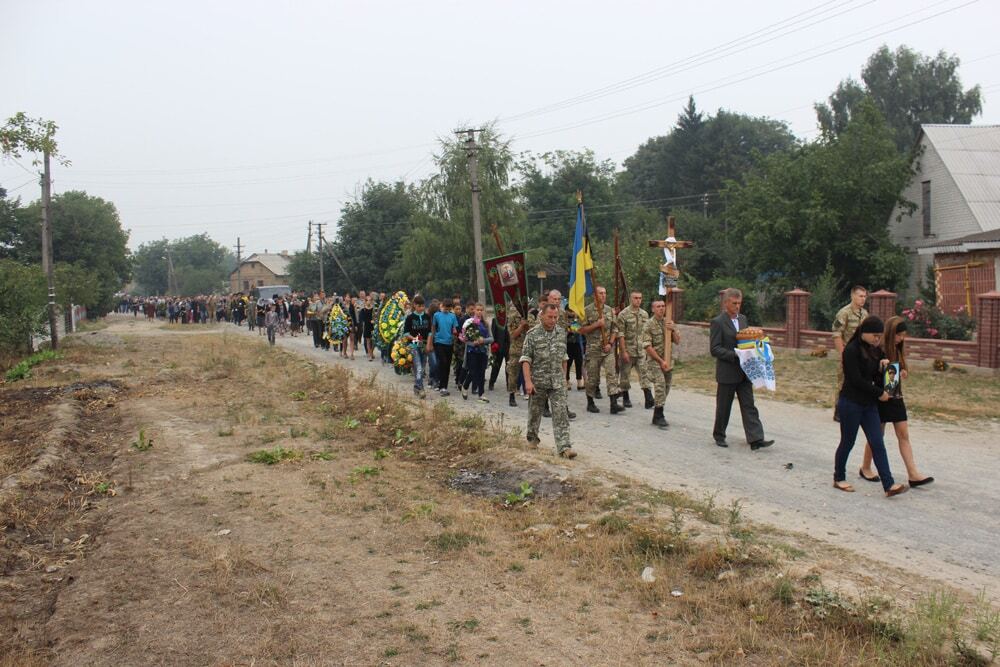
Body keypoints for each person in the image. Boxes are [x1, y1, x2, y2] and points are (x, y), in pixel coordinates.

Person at [833, 316, 907, 497]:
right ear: (864, 332)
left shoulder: (875, 351)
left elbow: (879, 376)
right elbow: (856, 380)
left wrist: (885, 369)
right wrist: (879, 393)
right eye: (874, 335)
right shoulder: (850, 351)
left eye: (879, 336)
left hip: (869, 405)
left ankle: (888, 484)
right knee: (848, 442)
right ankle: (839, 477)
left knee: (877, 443)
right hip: (851, 403)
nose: (877, 339)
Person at [858, 316, 934, 487]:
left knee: (903, 434)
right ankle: (865, 467)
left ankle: (913, 474)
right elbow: (872, 374)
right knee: (877, 435)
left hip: (895, 396)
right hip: (880, 396)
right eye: (899, 335)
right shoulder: (878, 349)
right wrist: (886, 372)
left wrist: (902, 373)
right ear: (892, 333)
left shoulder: (897, 348)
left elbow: (895, 375)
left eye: (904, 335)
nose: (902, 338)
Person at [710, 288, 774, 450]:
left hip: (745, 371)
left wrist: (757, 348)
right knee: (724, 406)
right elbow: (715, 349)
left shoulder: (743, 319)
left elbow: (746, 341)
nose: (737, 306)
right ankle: (719, 435)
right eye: (734, 303)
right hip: (727, 371)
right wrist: (735, 355)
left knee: (749, 405)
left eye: (739, 303)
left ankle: (756, 439)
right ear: (726, 303)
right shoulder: (718, 322)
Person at [521, 303, 575, 459]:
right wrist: (528, 382)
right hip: (538, 381)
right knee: (535, 412)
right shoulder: (532, 334)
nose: (553, 320)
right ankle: (532, 439)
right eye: (550, 317)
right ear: (541, 316)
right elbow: (526, 360)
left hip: (557, 381)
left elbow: (564, 357)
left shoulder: (561, 333)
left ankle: (564, 447)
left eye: (555, 317)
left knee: (560, 413)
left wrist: (565, 378)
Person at [580, 286, 623, 414]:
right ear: (595, 295)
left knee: (612, 374)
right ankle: (590, 402)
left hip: (607, 349)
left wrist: (610, 343)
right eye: (600, 293)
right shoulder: (587, 311)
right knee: (593, 378)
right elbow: (581, 329)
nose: (603, 296)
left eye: (605, 293)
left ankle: (613, 403)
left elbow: (615, 329)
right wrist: (596, 325)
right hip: (593, 350)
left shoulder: (610, 311)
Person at [832, 286, 869, 421]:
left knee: (860, 381)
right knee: (843, 381)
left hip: (861, 355)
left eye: (865, 296)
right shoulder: (844, 313)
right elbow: (836, 334)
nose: (863, 299)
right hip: (848, 353)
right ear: (853, 296)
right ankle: (839, 410)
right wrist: (843, 355)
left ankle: (857, 409)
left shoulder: (864, 314)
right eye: (860, 296)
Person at [641, 299, 680, 429]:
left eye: (663, 306)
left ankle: (656, 413)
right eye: (658, 306)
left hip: (668, 361)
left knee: (666, 388)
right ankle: (660, 416)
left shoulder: (668, 322)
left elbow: (677, 341)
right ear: (653, 309)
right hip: (655, 362)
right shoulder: (648, 325)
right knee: (660, 386)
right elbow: (647, 346)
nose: (661, 308)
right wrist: (660, 361)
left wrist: (673, 329)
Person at [617, 290, 653, 409]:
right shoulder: (623, 314)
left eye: (640, 298)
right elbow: (621, 334)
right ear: (631, 299)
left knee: (644, 374)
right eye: (636, 298)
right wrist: (623, 351)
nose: (638, 300)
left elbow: (646, 333)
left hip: (641, 351)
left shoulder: (644, 314)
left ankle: (648, 398)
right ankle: (626, 397)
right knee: (625, 375)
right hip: (628, 350)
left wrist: (648, 349)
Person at [461, 303, 493, 402]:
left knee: (482, 372)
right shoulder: (468, 322)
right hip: (472, 351)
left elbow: (491, 338)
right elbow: (463, 337)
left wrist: (483, 340)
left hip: (483, 351)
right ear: (474, 310)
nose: (479, 312)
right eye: (477, 310)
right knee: (473, 371)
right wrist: (472, 342)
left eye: (481, 310)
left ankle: (481, 394)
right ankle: (465, 386)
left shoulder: (486, 323)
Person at [505, 300, 535, 407]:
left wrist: (526, 326)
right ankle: (512, 395)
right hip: (516, 350)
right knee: (513, 373)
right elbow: (512, 335)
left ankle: (531, 395)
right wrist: (521, 326)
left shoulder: (531, 317)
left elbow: (533, 334)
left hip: (529, 349)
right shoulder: (513, 316)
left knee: (531, 374)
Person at [428, 298, 459, 396]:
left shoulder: (453, 316)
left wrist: (455, 333)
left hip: (449, 343)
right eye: (445, 307)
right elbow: (433, 328)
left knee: (447, 365)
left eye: (449, 308)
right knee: (443, 362)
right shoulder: (437, 315)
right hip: (439, 342)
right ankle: (441, 386)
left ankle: (444, 386)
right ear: (442, 306)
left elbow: (454, 328)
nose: (446, 309)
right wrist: (431, 342)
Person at [403, 295, 432, 398]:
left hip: (424, 344)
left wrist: (428, 344)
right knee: (418, 367)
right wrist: (414, 339)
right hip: (414, 345)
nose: (421, 308)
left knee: (422, 368)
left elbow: (429, 332)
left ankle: (416, 386)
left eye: (423, 306)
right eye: (419, 306)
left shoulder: (427, 317)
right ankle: (421, 389)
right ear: (414, 305)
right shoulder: (410, 318)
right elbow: (406, 333)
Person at [565, 307, 584, 391]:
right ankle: (567, 380)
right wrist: (572, 328)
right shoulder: (564, 319)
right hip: (567, 344)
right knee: (568, 363)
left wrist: (575, 321)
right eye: (570, 311)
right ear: (566, 311)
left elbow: (577, 329)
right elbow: (571, 329)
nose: (572, 313)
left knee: (579, 362)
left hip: (576, 343)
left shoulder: (578, 319)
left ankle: (579, 381)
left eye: (573, 311)